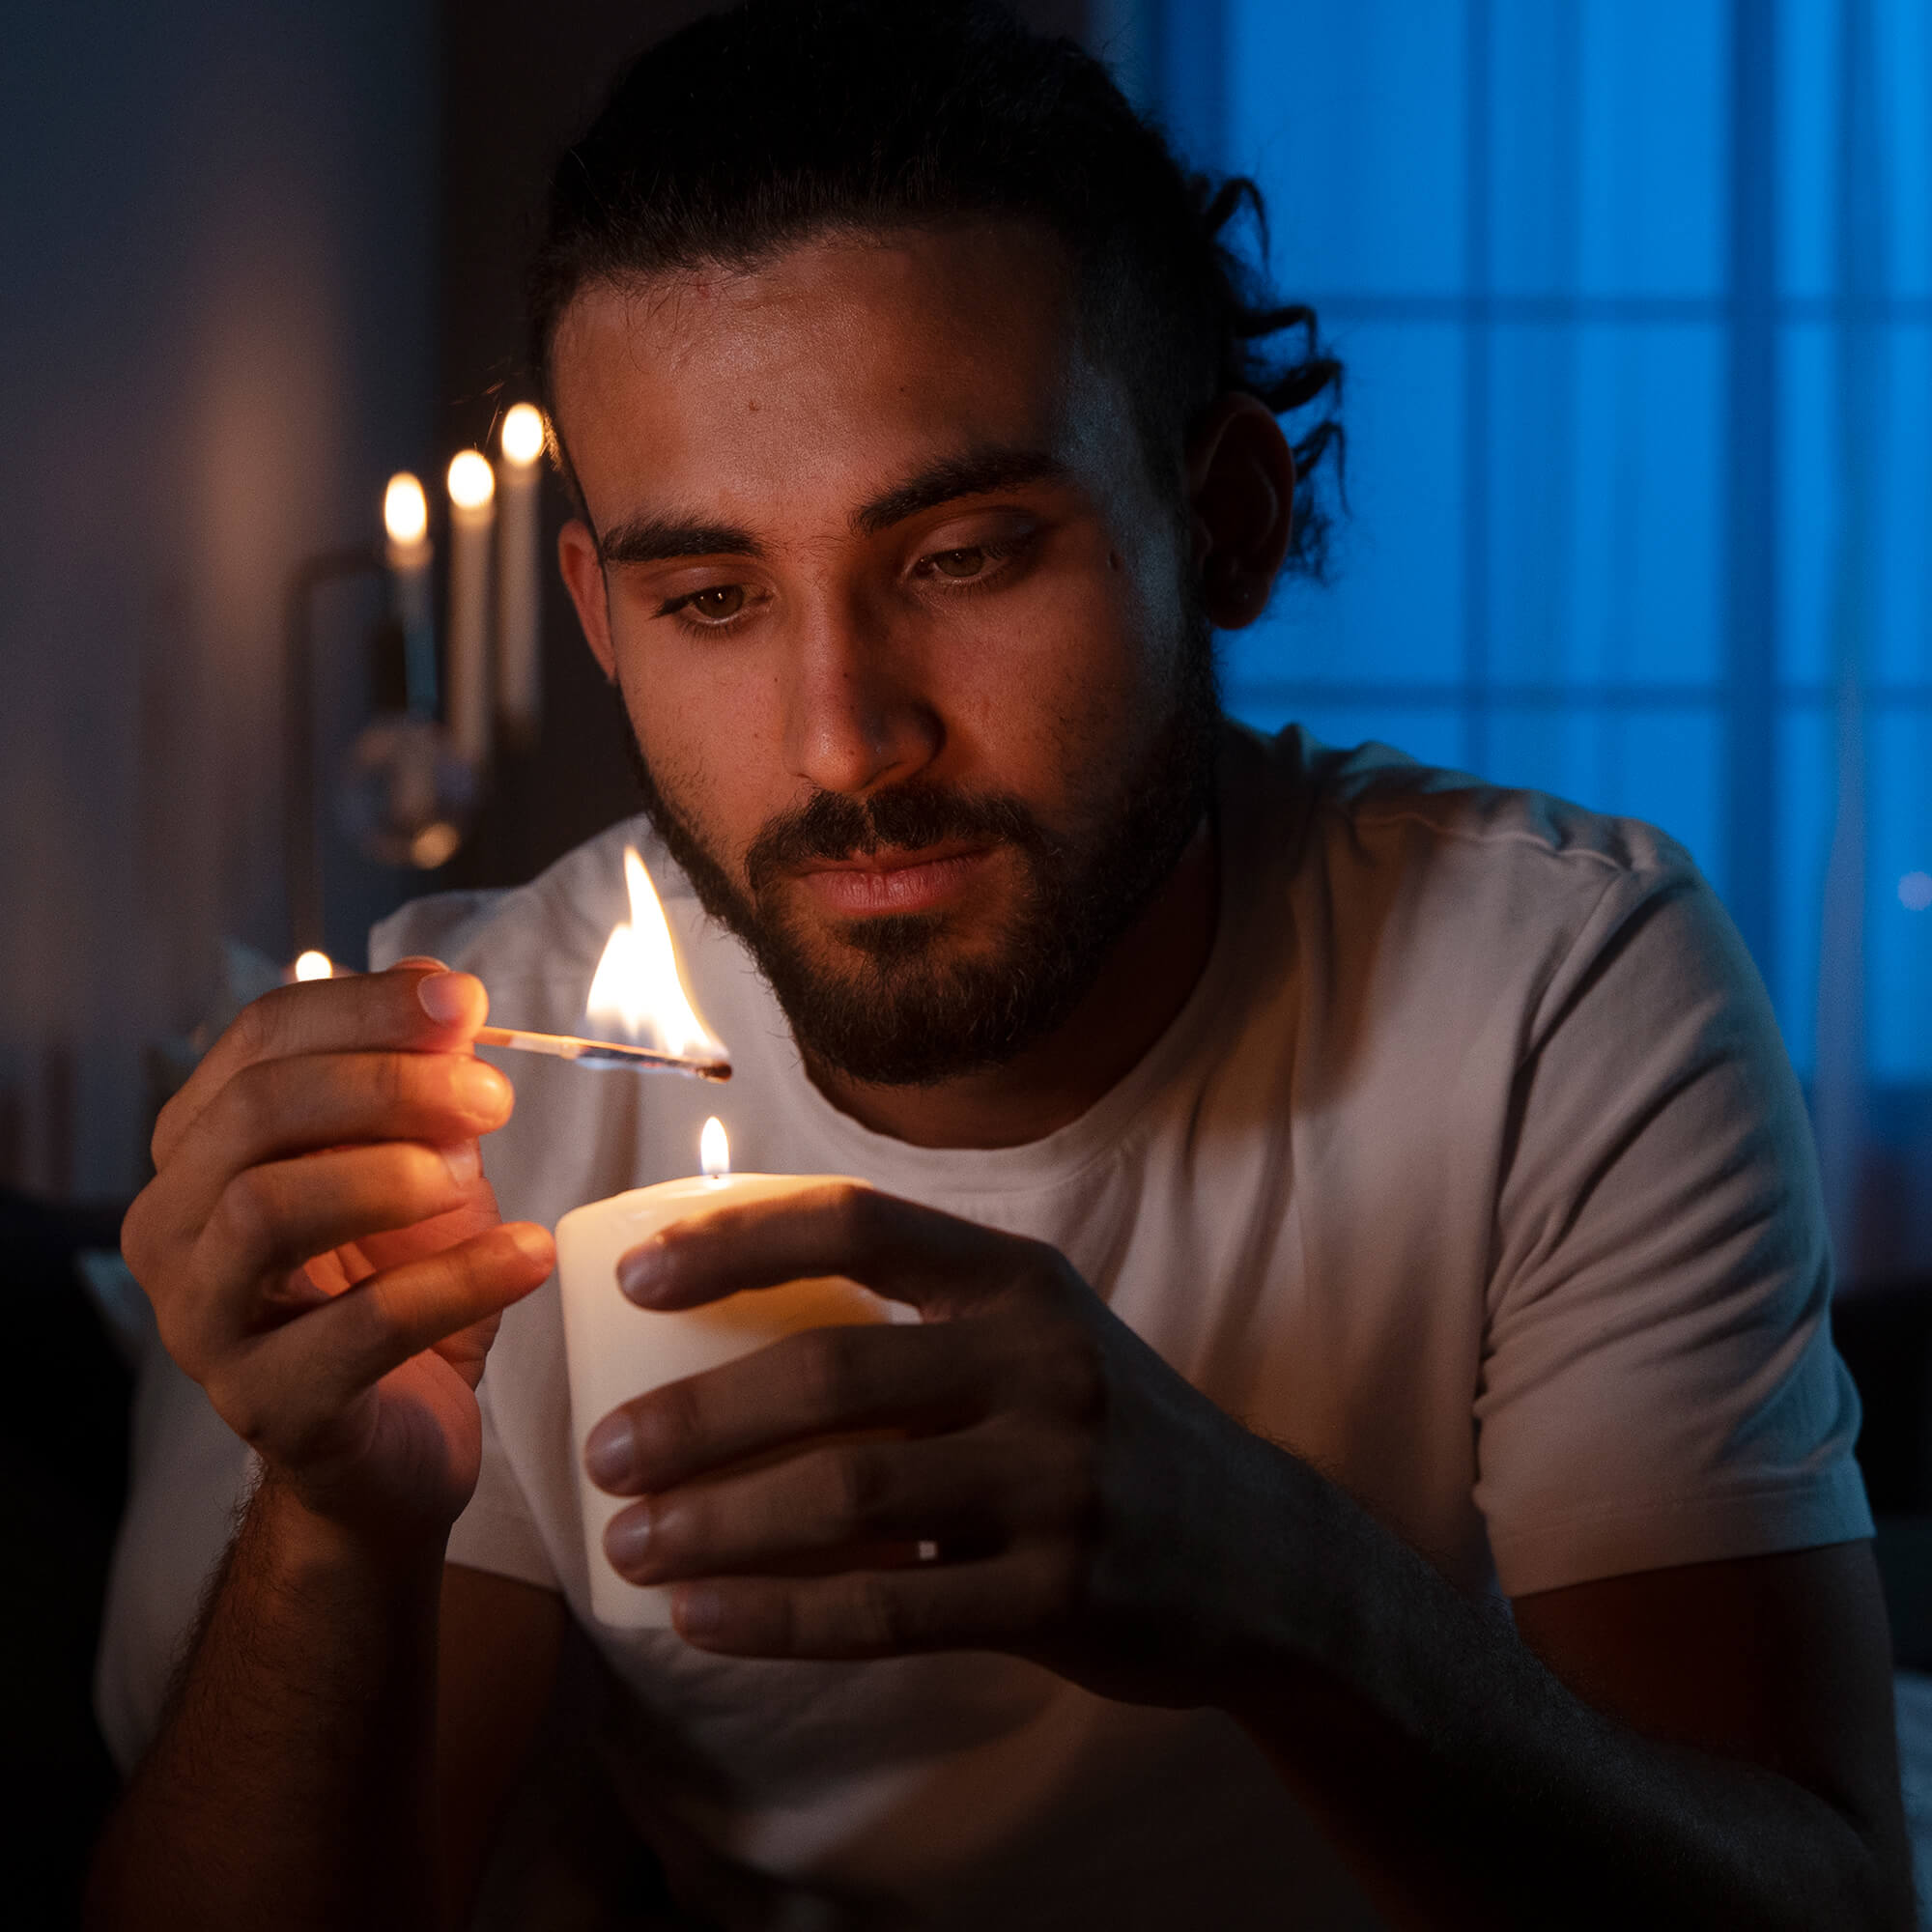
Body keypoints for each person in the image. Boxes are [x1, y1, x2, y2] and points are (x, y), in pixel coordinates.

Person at [90, 3, 1912, 1926]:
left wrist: (1285, 1593)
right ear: (599, 618)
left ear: (1221, 517)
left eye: (963, 555)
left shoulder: (1556, 986)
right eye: (710, 597)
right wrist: (332, 1524)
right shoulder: (451, 1102)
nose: (843, 741)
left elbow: (1819, 1896)